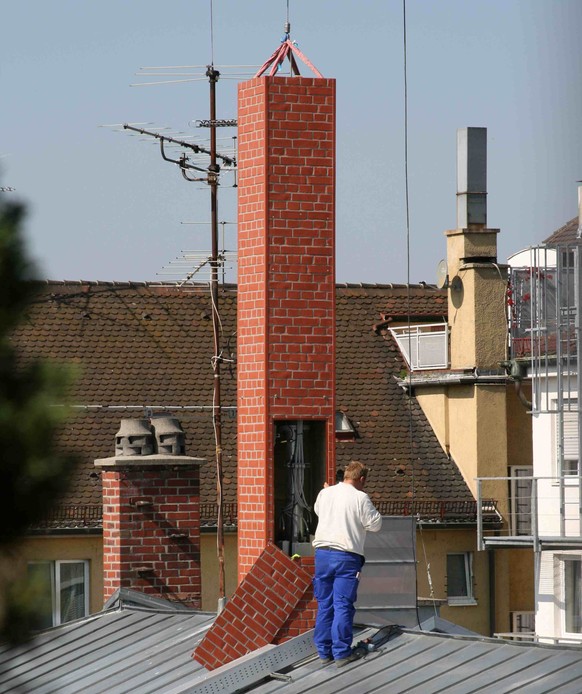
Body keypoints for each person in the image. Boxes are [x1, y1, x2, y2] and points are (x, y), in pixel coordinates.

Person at [312, 461, 382, 667]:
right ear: (361, 479)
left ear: (345, 476)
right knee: (342, 604)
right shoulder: (360, 497)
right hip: (346, 557)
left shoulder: (325, 493)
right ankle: (342, 653)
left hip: (322, 555)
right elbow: (375, 524)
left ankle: (324, 652)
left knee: (325, 604)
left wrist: (328, 493)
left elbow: (318, 511)